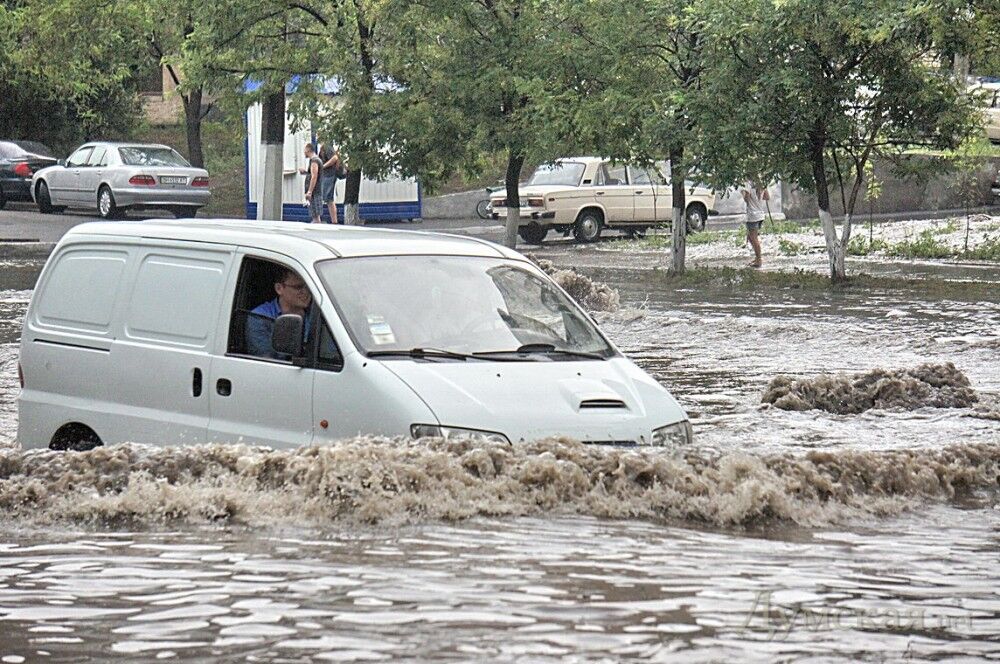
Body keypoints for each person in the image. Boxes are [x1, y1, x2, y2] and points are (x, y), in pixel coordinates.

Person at [246, 268, 313, 359]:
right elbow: (265, 360)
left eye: (308, 286)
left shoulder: (318, 315)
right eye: (298, 287)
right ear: (279, 288)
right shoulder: (260, 317)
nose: (305, 292)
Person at [741, 180, 769, 268]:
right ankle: (757, 257)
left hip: (753, 215)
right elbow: (767, 197)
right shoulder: (761, 183)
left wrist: (744, 192)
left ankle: (759, 259)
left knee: (753, 238)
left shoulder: (748, 184)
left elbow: (746, 199)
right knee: (750, 237)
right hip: (760, 214)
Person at [300, 143, 324, 224]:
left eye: (304, 150)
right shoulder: (316, 160)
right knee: (315, 216)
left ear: (308, 150)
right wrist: (306, 172)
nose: (304, 152)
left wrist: (309, 191)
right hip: (315, 190)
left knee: (315, 216)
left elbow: (314, 176)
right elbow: (312, 174)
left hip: (315, 191)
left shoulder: (314, 161)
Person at [319, 142, 342, 225]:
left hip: (329, 175)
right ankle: (334, 220)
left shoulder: (326, 146)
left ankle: (333, 221)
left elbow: (334, 158)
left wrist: (323, 166)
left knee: (327, 197)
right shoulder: (325, 147)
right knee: (328, 198)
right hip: (328, 175)